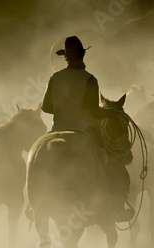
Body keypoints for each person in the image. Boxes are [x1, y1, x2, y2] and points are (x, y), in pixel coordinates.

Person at [41, 36, 134, 222]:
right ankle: (118, 206)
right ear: (82, 55)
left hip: (55, 130)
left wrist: (63, 107)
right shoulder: (90, 79)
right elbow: (92, 111)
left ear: (65, 57)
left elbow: (46, 107)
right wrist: (108, 114)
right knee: (113, 162)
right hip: (83, 132)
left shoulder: (55, 77)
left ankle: (32, 204)